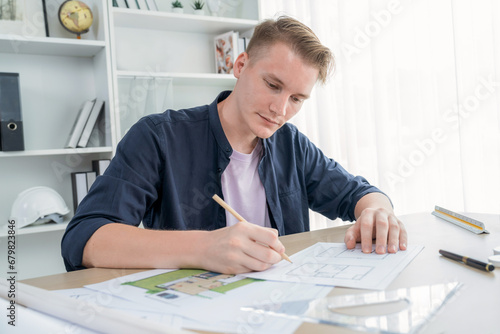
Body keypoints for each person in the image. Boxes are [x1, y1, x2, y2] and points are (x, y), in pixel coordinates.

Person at [62, 16, 407, 274]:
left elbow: (358, 193)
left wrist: (377, 210)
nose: (280, 110)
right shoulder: (159, 136)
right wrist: (203, 248)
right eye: (272, 85)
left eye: (297, 99)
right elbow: (84, 238)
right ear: (240, 65)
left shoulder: (291, 144)